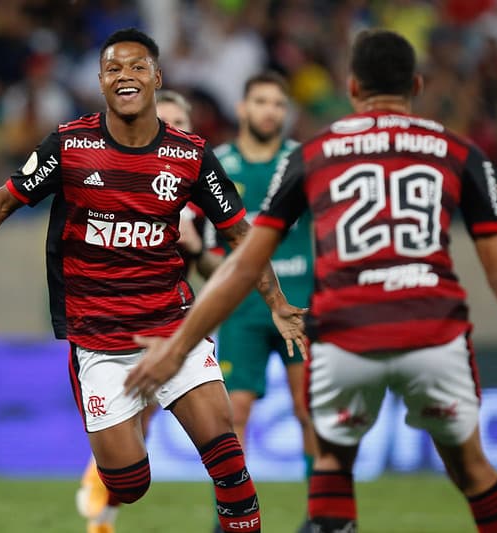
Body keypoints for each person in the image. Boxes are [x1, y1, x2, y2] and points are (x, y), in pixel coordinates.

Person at [126, 29, 497, 533]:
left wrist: (178, 346)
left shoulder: (313, 154)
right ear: (417, 85)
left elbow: (245, 264)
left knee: (332, 463)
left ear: (353, 87)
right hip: (434, 332)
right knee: (472, 469)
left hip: (347, 335)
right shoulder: (459, 152)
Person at [0, 28, 307, 533]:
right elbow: (4, 200)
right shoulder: (70, 145)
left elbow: (243, 237)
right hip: (98, 339)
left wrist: (276, 302)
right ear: (100, 81)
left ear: (157, 77)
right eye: (114, 68)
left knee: (226, 458)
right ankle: (114, 468)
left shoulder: (191, 156)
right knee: (129, 484)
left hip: (171, 329)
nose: (125, 76)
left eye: (137, 67)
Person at [75, 88, 215, 533]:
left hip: (178, 325)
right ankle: (103, 488)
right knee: (135, 420)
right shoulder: (121, 181)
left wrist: (198, 248)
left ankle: (104, 504)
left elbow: (219, 270)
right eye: (164, 121)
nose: (170, 131)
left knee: (166, 419)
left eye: (179, 123)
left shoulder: (199, 193)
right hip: (117, 327)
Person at [204, 71, 317, 532]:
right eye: (261, 101)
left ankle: (320, 515)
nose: (270, 111)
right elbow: (211, 249)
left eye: (278, 104)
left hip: (302, 305)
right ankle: (232, 517)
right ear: (242, 108)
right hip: (242, 310)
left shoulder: (304, 161)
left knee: (308, 410)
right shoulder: (219, 164)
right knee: (234, 414)